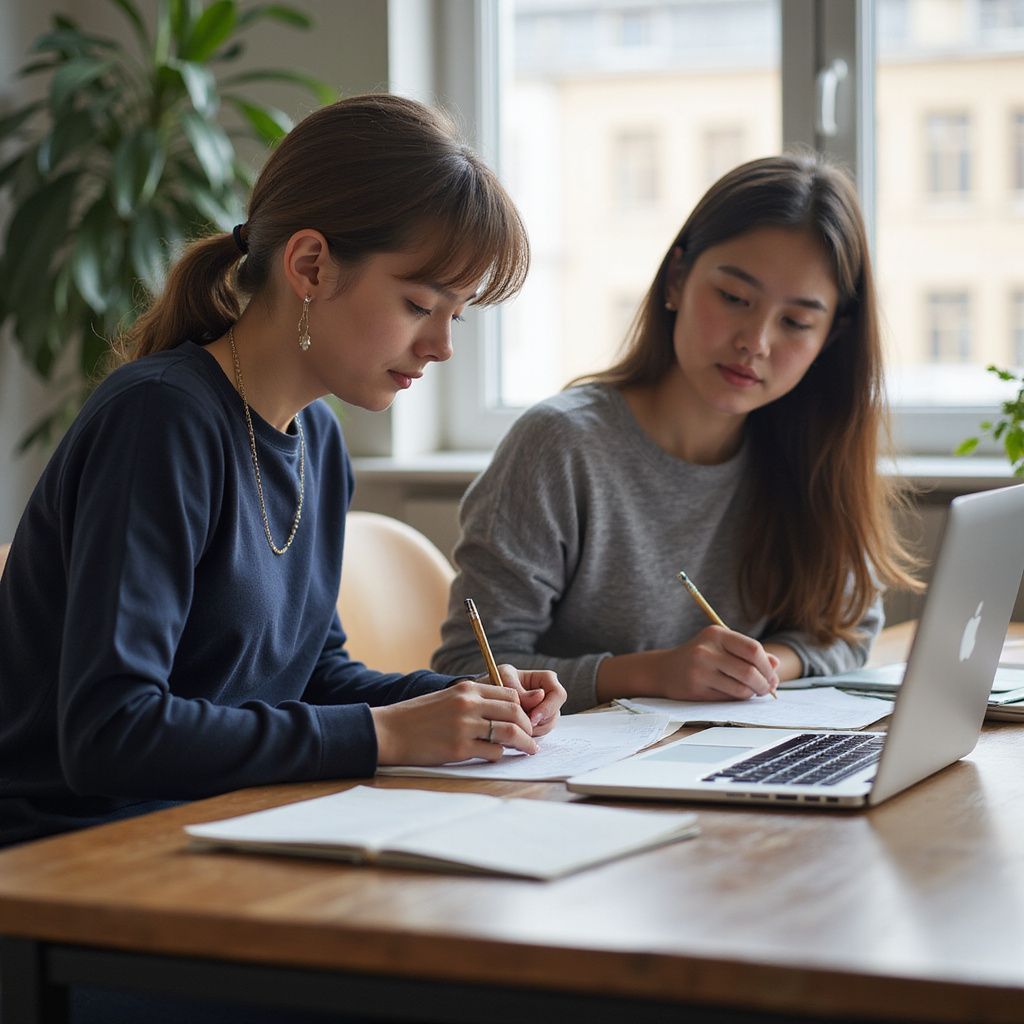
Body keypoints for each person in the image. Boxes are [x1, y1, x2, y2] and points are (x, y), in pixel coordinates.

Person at [0, 93, 566, 854]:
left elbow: (310, 672)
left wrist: (461, 703)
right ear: (309, 265)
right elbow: (113, 732)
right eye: (418, 304)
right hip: (76, 863)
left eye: (455, 315)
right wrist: (383, 736)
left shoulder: (317, 438)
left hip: (217, 834)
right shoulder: (158, 420)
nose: (441, 346)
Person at [433, 151, 920, 714]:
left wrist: (758, 666)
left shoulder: (811, 450)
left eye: (796, 322)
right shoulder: (561, 445)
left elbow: (852, 627)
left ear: (830, 338)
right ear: (677, 280)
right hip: (569, 782)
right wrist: (654, 673)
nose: (756, 342)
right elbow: (468, 668)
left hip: (722, 761)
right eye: (734, 298)